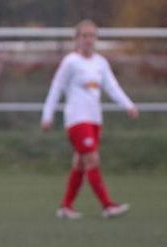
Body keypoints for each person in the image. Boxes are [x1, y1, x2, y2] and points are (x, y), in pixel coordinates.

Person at [41, 19, 137, 220]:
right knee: (92, 159)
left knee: (80, 163)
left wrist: (128, 105)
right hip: (77, 119)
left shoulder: (100, 63)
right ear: (76, 39)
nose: (88, 40)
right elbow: (56, 88)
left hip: (94, 120)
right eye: (84, 35)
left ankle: (66, 207)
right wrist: (47, 115)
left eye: (92, 35)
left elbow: (112, 86)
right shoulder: (70, 62)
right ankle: (108, 205)